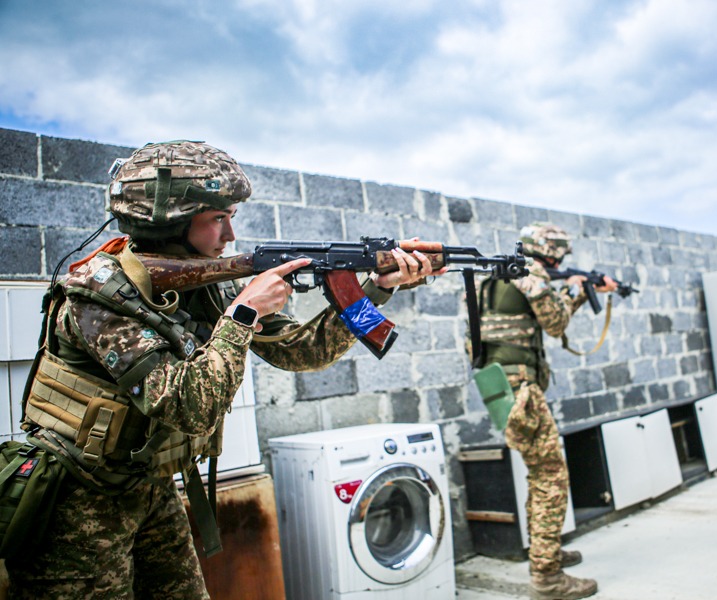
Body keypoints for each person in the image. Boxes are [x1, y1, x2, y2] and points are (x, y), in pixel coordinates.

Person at [7, 140, 439, 598]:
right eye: (218, 218)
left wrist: (377, 288)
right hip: (75, 501)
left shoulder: (208, 284)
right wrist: (243, 314)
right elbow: (189, 406)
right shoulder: (100, 295)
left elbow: (301, 351)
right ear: (169, 219)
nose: (230, 235)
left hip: (150, 486)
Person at [475, 222, 617, 599]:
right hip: (523, 390)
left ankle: (544, 551)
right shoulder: (530, 273)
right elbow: (555, 323)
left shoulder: (493, 276)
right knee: (551, 476)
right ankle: (547, 577)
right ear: (551, 250)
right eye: (561, 254)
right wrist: (575, 291)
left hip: (499, 384)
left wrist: (575, 289)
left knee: (539, 472)